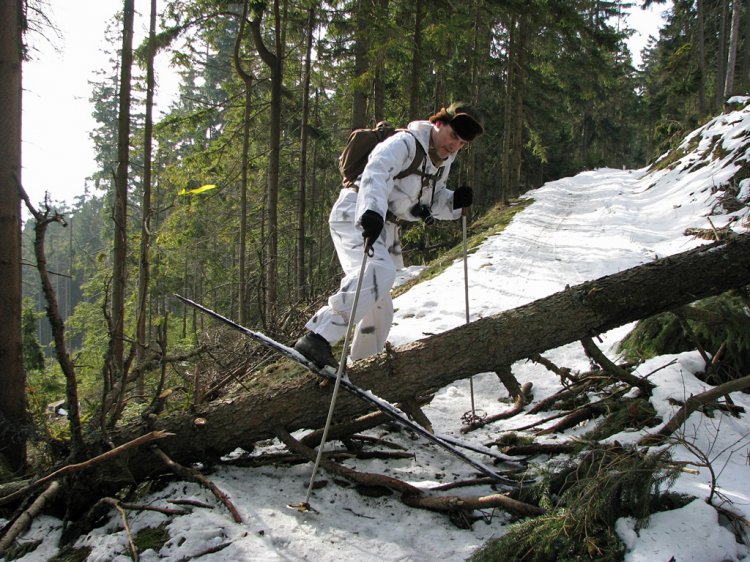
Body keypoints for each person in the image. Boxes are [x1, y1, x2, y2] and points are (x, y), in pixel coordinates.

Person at [294, 101, 484, 368]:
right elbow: (376, 170)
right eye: (453, 136)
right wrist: (371, 211)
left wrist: (453, 201)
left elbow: (426, 202)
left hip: (383, 224)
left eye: (461, 143)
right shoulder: (405, 142)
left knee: (381, 306)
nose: (454, 146)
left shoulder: (442, 162)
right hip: (355, 211)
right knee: (379, 271)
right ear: (439, 123)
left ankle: (363, 366)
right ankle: (317, 337)